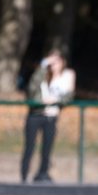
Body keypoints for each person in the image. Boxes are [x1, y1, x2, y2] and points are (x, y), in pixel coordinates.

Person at [20, 50, 75, 183]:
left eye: (56, 62)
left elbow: (68, 96)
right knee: (29, 147)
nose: (53, 66)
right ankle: (24, 176)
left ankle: (42, 174)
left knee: (47, 149)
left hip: (51, 116)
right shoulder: (42, 74)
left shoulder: (67, 75)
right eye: (51, 63)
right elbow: (32, 87)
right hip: (36, 115)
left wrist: (54, 101)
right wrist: (44, 64)